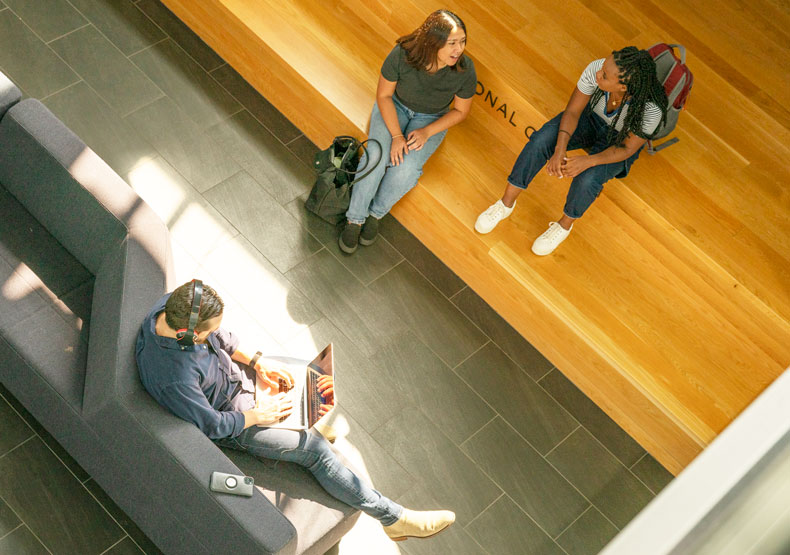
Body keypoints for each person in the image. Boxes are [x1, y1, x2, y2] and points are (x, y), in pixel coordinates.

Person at [136, 281, 455, 542]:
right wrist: (259, 415)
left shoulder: (176, 306)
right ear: (185, 335)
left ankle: (302, 420)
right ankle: (394, 518)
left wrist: (260, 362)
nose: (215, 333)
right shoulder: (173, 378)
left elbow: (222, 339)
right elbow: (211, 425)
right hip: (235, 421)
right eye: (207, 332)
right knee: (316, 452)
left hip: (237, 380)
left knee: (299, 378)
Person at [475, 46, 668, 255]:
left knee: (588, 179)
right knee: (541, 141)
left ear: (623, 86)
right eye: (602, 67)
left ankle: (564, 225)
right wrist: (559, 149)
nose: (597, 73)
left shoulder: (650, 109)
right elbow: (573, 111)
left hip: (617, 141)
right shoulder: (597, 68)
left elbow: (626, 149)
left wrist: (588, 161)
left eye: (604, 75)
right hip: (589, 119)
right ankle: (505, 204)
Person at [339, 9, 477, 254]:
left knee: (406, 169)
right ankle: (355, 218)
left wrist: (426, 132)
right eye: (452, 43)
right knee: (377, 156)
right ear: (433, 42)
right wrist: (396, 136)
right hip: (395, 106)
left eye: (463, 42)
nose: (459, 49)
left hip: (431, 118)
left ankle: (376, 213)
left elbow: (460, 112)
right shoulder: (402, 54)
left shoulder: (465, 69)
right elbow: (383, 95)